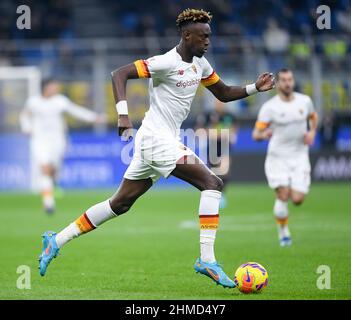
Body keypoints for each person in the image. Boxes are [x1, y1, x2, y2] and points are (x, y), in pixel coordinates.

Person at [39, 9, 274, 288]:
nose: (208, 42)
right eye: (203, 36)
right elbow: (119, 74)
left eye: (209, 36)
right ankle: (207, 259)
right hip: (155, 140)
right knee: (212, 183)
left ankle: (56, 240)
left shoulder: (201, 64)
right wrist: (123, 115)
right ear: (187, 35)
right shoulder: (164, 62)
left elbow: (223, 93)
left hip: (162, 140)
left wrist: (254, 88)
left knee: (120, 204)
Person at [252, 68, 318, 246]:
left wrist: (312, 132)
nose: (288, 83)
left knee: (297, 199)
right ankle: (284, 233)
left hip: (299, 156)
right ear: (278, 83)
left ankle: (284, 210)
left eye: (290, 80)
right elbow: (256, 134)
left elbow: (313, 117)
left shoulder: (305, 102)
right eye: (284, 80)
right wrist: (264, 134)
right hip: (277, 158)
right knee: (283, 194)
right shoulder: (270, 108)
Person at [20, 79, 105, 213]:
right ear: (45, 88)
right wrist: (26, 127)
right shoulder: (33, 102)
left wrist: (94, 117)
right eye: (53, 86)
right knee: (45, 168)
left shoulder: (60, 101)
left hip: (58, 140)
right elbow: (25, 115)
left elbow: (76, 111)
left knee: (53, 170)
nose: (56, 88)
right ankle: (48, 203)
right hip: (39, 140)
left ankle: (52, 185)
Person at [195, 99, 237, 209]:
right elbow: (199, 131)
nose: (219, 104)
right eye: (217, 102)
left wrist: (218, 134)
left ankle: (221, 195)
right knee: (212, 173)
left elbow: (233, 132)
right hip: (210, 148)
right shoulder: (207, 115)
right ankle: (212, 196)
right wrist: (217, 134)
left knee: (225, 172)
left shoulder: (230, 116)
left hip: (225, 148)